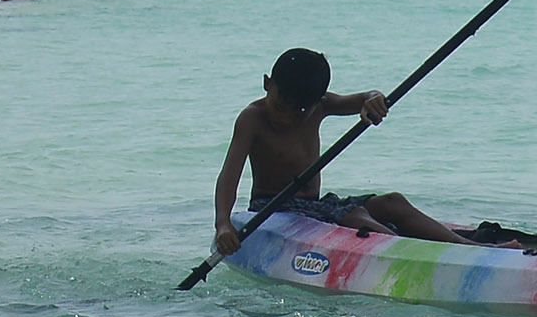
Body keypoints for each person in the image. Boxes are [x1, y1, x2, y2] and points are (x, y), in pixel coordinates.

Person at [213, 47, 514, 252]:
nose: (286, 117)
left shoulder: (321, 105)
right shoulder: (252, 119)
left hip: (316, 206)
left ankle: (472, 248)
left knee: (393, 202)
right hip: (274, 208)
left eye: (299, 111)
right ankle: (418, 254)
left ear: (316, 102)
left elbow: (364, 97)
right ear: (267, 84)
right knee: (357, 217)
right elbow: (229, 175)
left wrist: (374, 99)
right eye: (281, 107)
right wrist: (223, 224)